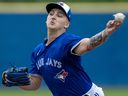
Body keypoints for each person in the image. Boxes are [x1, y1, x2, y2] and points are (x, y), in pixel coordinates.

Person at [20, 2, 123, 96]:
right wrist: (16, 80)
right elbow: (35, 83)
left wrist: (106, 32)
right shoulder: (38, 51)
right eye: (51, 14)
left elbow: (88, 44)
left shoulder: (67, 41)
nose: (54, 17)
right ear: (46, 20)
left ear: (67, 24)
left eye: (60, 15)